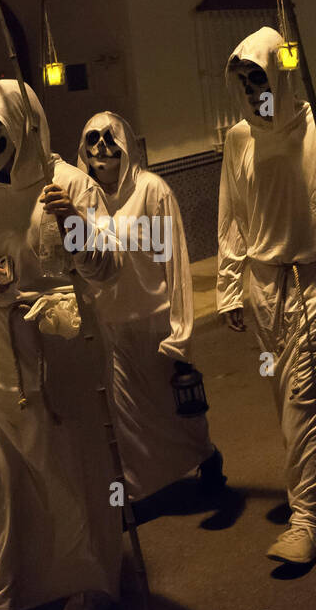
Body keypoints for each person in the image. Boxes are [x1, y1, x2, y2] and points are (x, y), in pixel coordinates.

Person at [0, 79, 123, 610]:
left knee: (62, 476)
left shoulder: (69, 185)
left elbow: (107, 267)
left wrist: (75, 223)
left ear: (21, 127)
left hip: (57, 361)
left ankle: (86, 581)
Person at [218, 27, 316, 563]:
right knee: (286, 396)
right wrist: (229, 288)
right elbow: (232, 218)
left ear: (279, 74)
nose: (251, 87)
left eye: (258, 75)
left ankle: (306, 520)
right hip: (264, 283)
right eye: (242, 79)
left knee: (306, 396)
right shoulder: (238, 138)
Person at [75, 111, 223, 503]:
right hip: (113, 326)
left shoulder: (151, 191)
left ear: (125, 145)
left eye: (110, 139)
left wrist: (181, 330)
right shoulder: (84, 201)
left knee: (176, 407)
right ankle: (141, 490)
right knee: (129, 417)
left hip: (155, 321)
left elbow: (173, 262)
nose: (101, 148)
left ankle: (205, 456)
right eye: (93, 140)